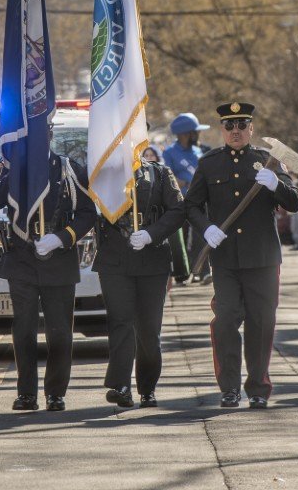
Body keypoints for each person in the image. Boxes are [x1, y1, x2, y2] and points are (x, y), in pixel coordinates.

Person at [185, 102, 298, 408]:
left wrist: (276, 184)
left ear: (251, 129)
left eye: (241, 126)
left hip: (262, 258)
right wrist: (206, 228)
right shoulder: (209, 163)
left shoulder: (269, 160)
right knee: (225, 322)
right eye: (229, 126)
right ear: (221, 130)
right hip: (225, 259)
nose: (235, 132)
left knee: (261, 324)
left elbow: (295, 202)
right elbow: (192, 205)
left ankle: (259, 389)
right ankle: (229, 389)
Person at [0, 125, 97, 412]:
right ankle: (26, 393)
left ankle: (55, 392)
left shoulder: (66, 168)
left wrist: (61, 238)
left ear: (49, 135)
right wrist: (11, 171)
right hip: (22, 257)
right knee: (23, 330)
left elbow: (88, 212)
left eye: (42, 133)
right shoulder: (15, 169)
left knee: (59, 331)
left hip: (57, 257)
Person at [93, 156, 185, 408]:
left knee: (148, 329)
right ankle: (120, 385)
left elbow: (179, 210)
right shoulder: (103, 170)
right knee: (120, 322)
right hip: (114, 258)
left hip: (151, 259)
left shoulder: (160, 173)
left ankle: (147, 387)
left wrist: (151, 234)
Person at [163, 112, 210, 283]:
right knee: (180, 238)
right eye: (195, 131)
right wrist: (179, 182)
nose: (198, 135)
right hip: (179, 202)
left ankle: (204, 272)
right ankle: (182, 273)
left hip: (199, 202)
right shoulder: (169, 153)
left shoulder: (199, 151)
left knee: (201, 235)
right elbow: (166, 176)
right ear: (185, 134)